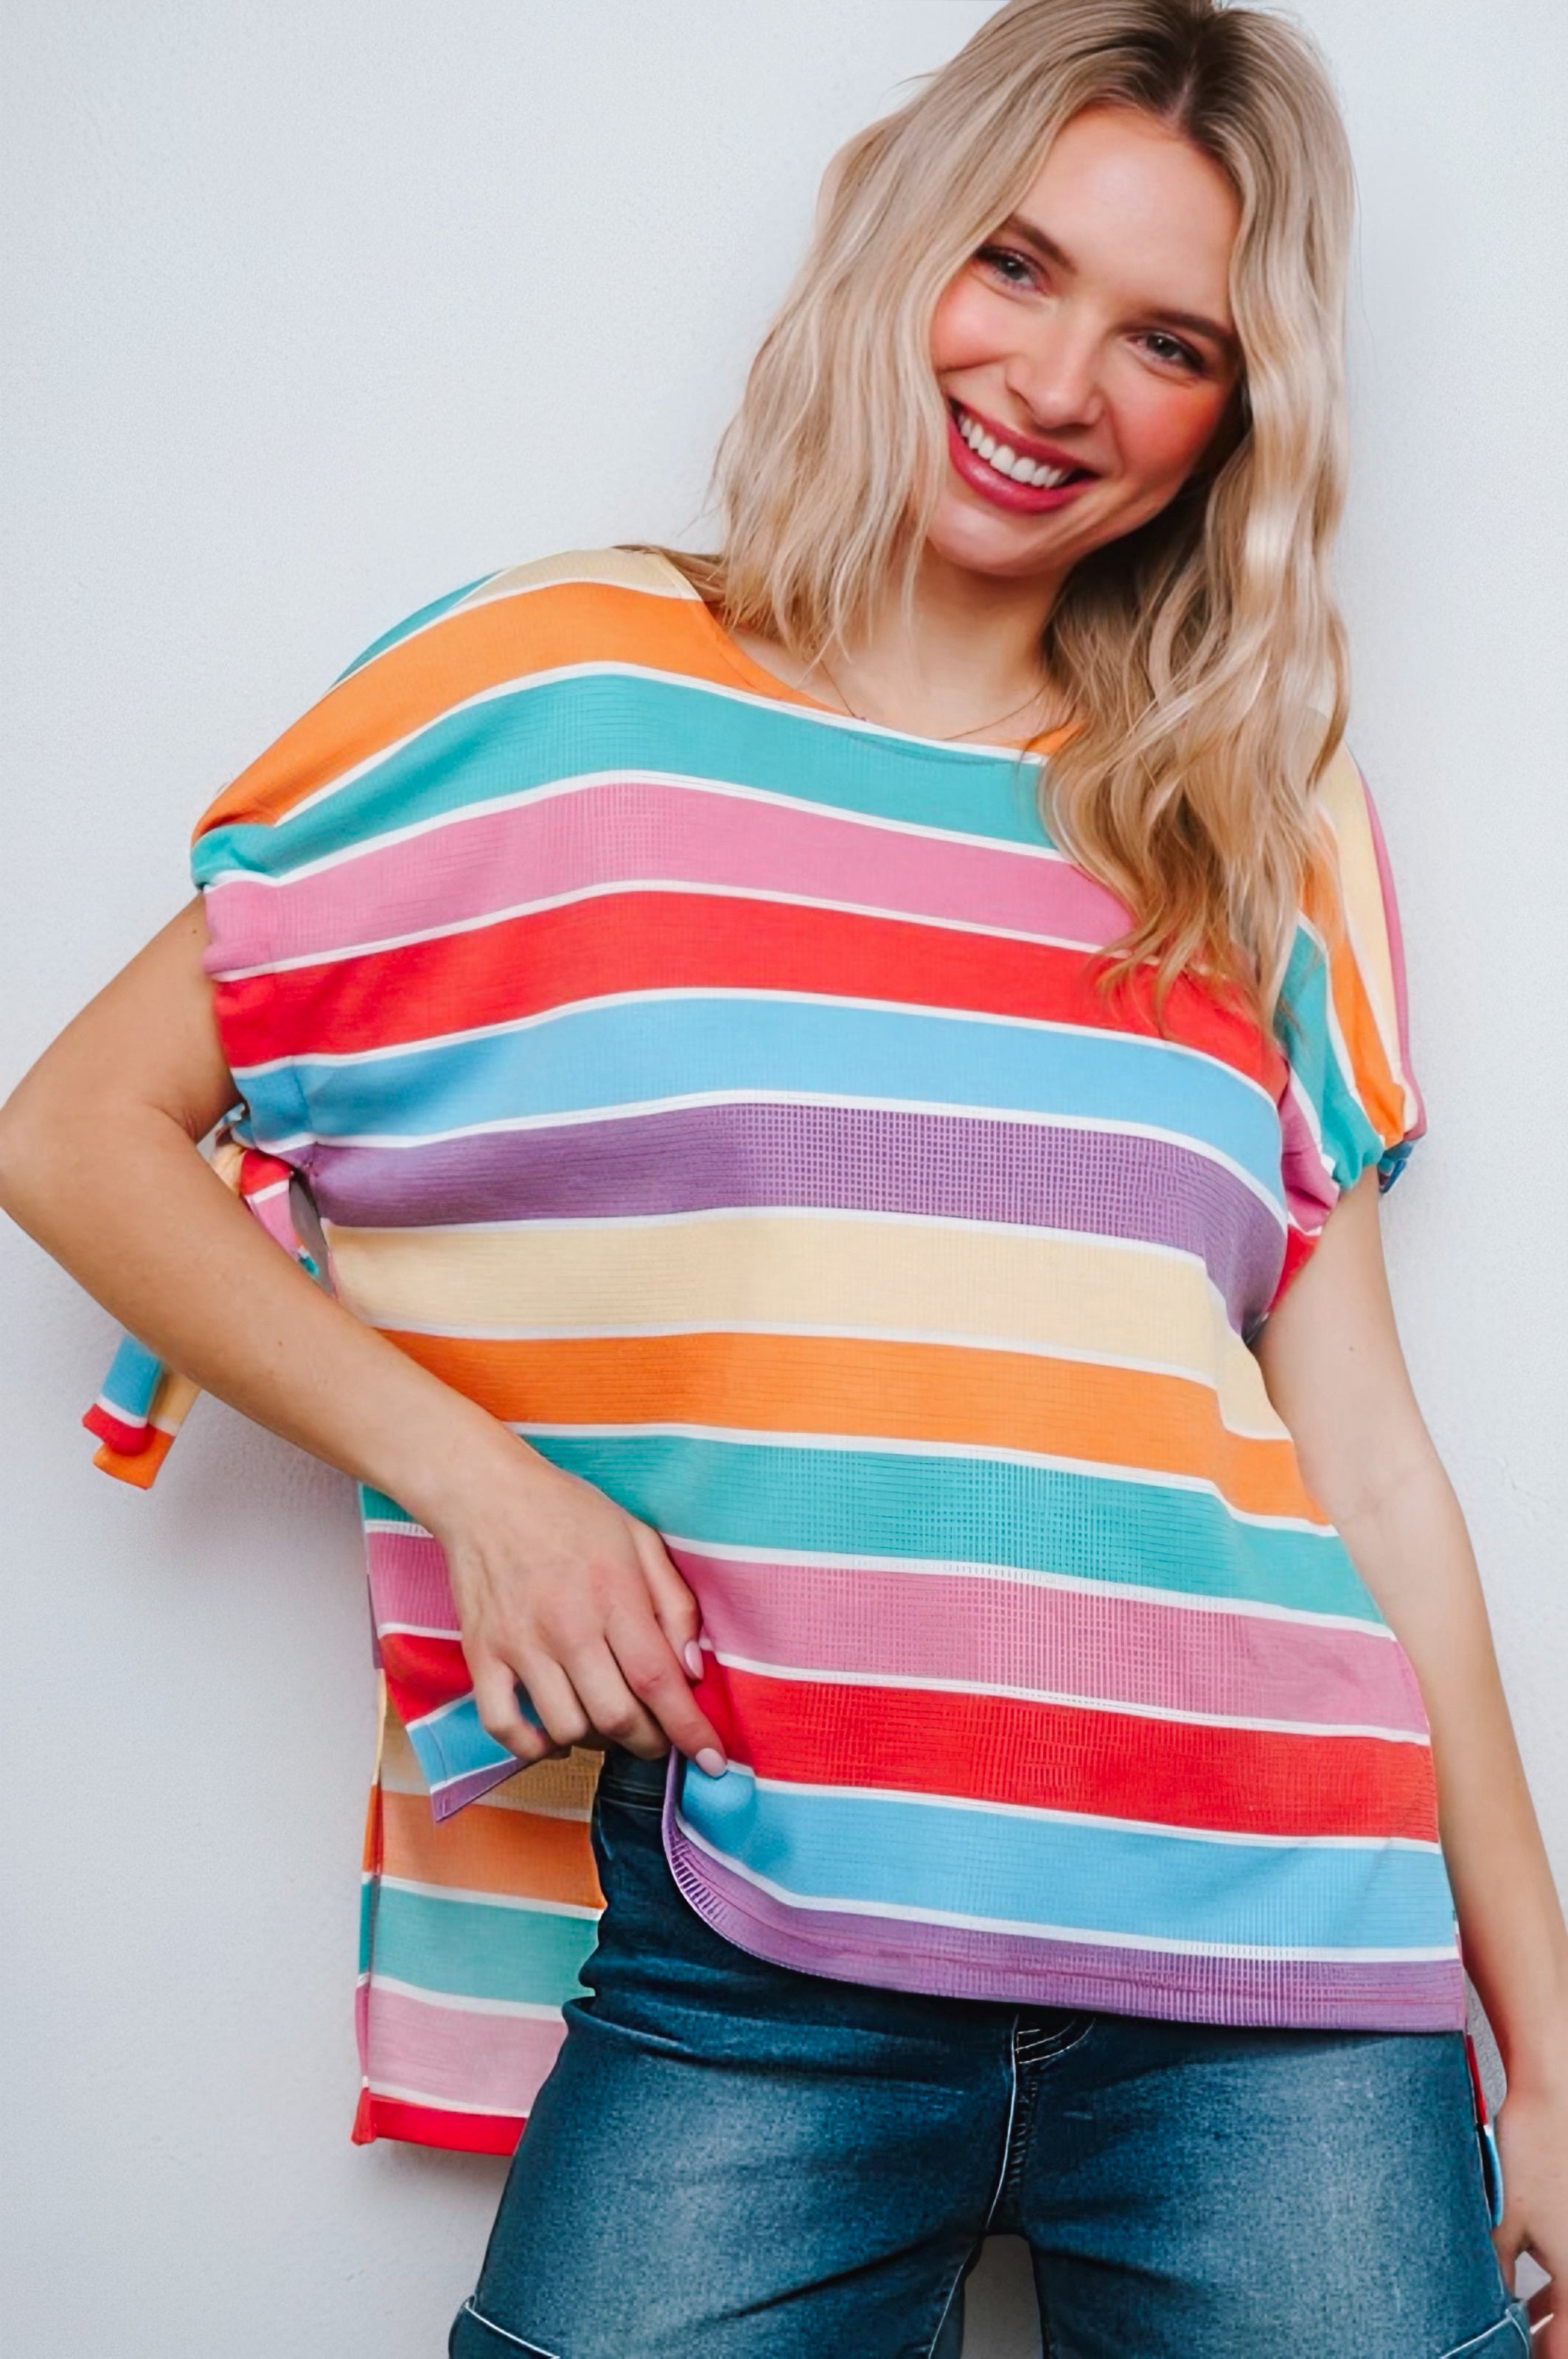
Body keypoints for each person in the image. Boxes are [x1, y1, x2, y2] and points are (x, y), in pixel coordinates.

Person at [1, 1, 1564, 2352]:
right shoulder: (544, 693)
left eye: (1169, 342)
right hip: (767, 1938)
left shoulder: (1250, 811)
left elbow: (1371, 1465)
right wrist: (485, 1486)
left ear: (1237, 421)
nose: (1057, 386)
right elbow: (77, 1134)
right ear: (899, 240)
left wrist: (1547, 2055)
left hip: (1290, 1970)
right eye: (1016, 267)